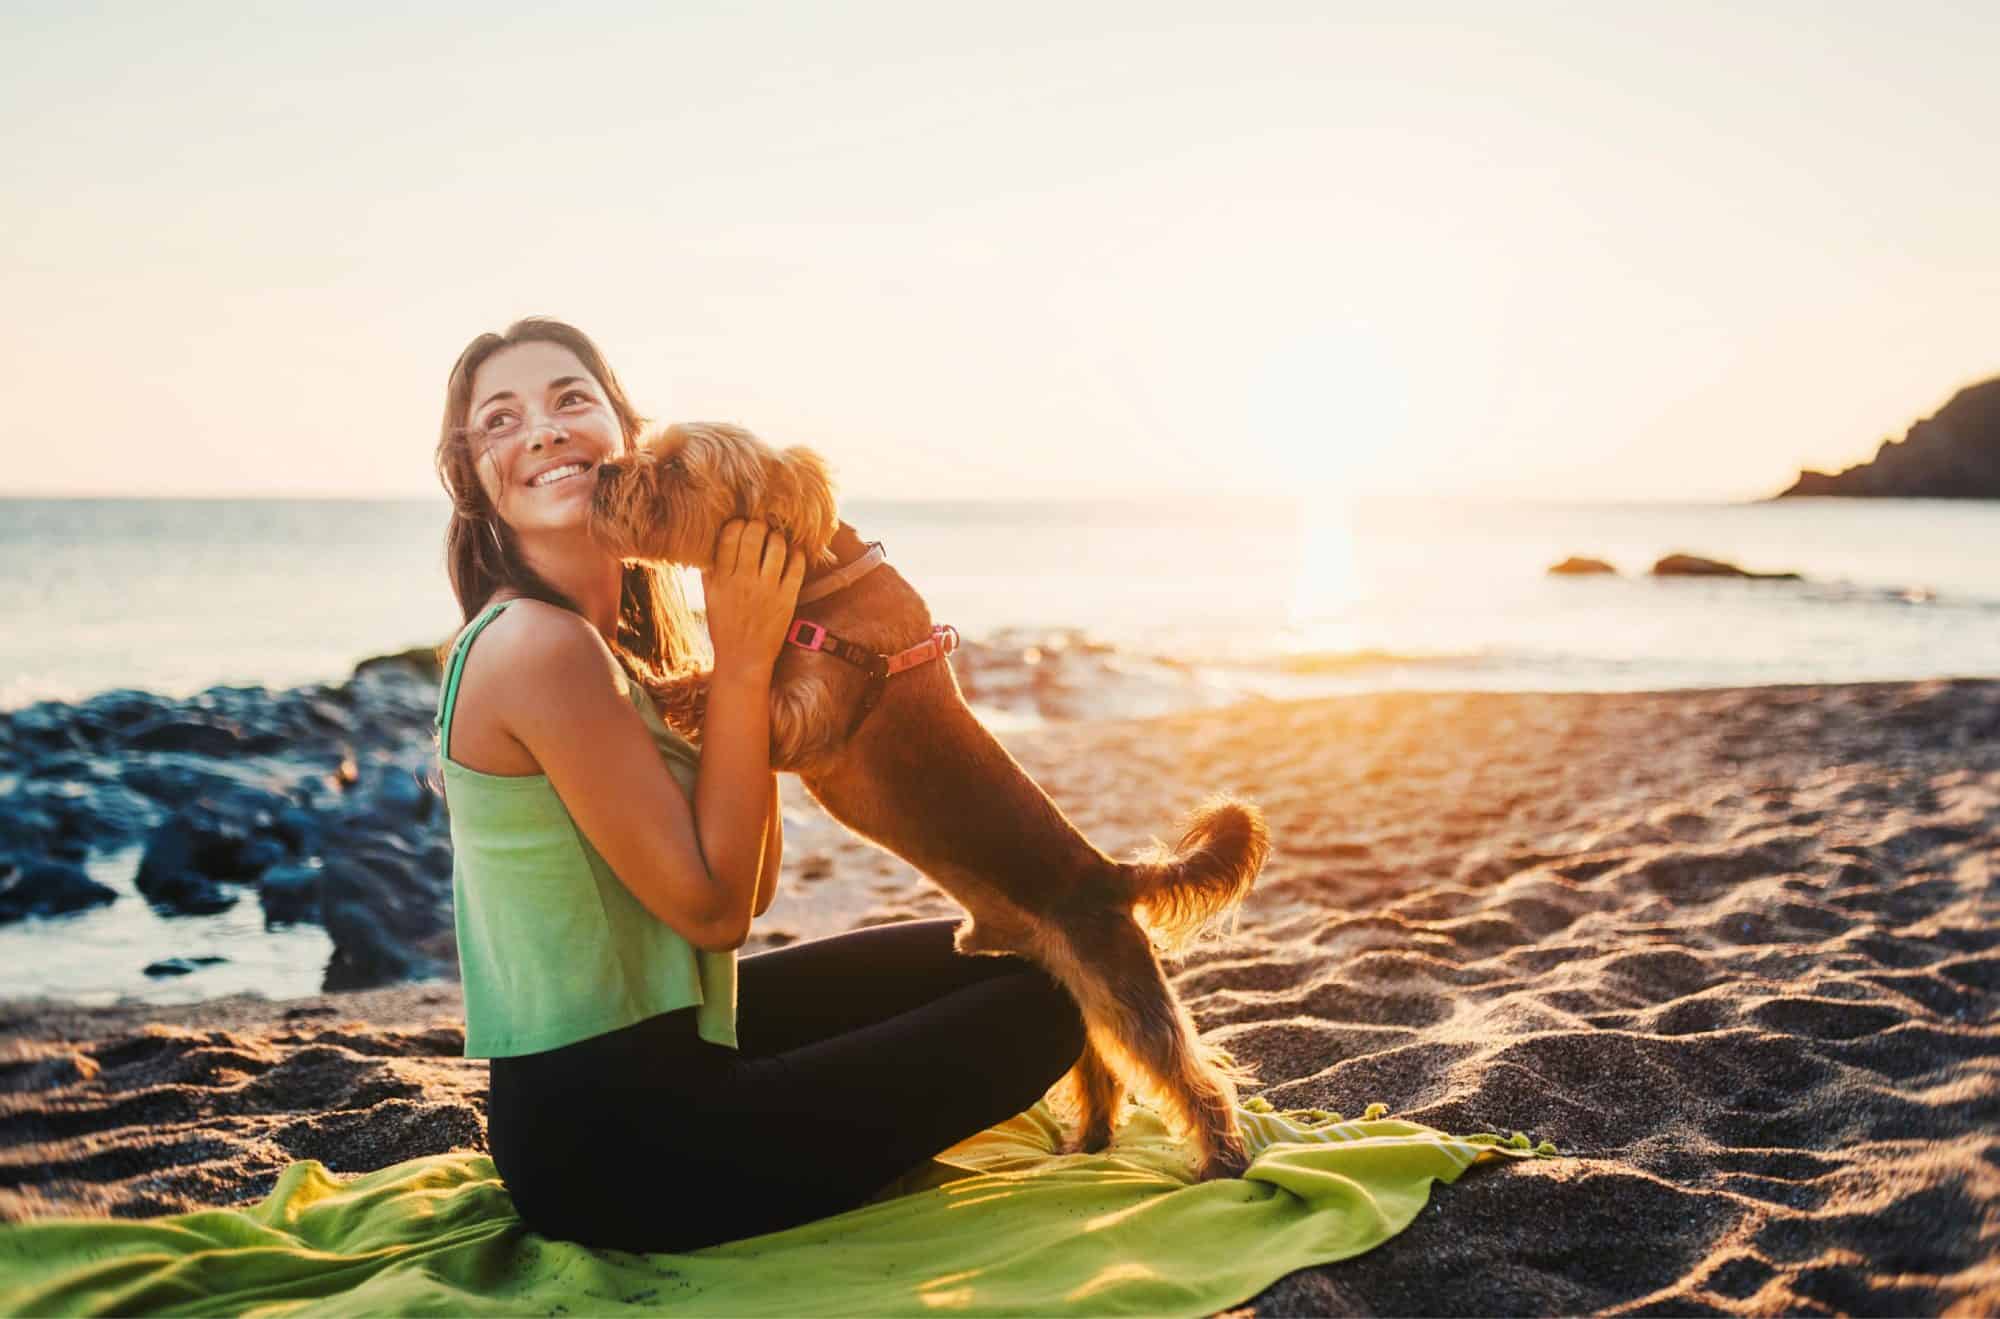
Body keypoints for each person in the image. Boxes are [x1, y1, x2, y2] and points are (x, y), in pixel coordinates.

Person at [431, 317, 1087, 1252]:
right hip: (617, 1147)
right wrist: (741, 662)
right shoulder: (539, 646)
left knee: (1029, 951)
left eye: (569, 399)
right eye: (501, 419)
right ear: (476, 477)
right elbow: (715, 915)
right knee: (1049, 1001)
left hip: (680, 1036)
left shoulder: (609, 642)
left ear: (625, 434)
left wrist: (766, 653)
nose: (540, 430)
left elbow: (750, 876)